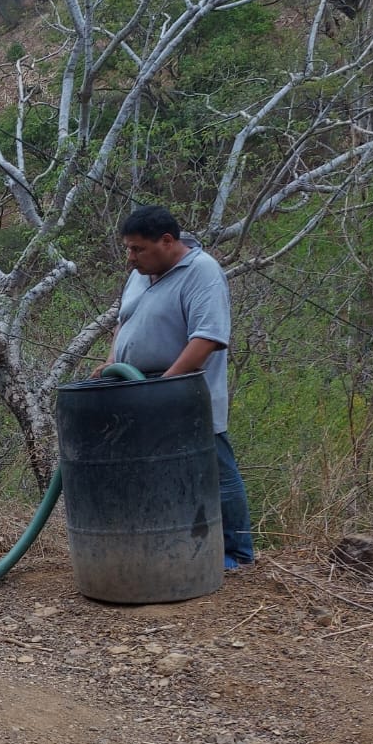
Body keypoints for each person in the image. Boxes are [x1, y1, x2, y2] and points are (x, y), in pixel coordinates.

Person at [106, 205, 254, 568]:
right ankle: (176, 544)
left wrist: (163, 389)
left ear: (168, 241)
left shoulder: (202, 272)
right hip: (137, 388)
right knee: (158, 472)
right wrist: (112, 364)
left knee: (214, 469)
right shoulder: (142, 273)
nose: (130, 257)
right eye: (128, 248)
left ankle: (236, 552)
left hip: (184, 390)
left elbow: (206, 339)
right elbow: (124, 322)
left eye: (138, 249)